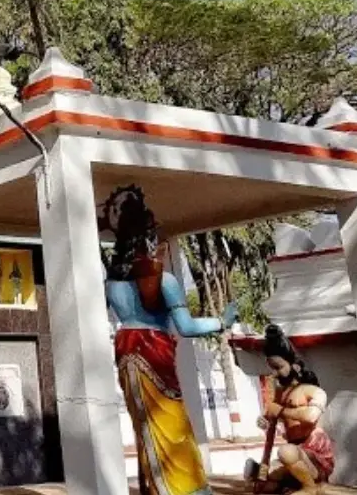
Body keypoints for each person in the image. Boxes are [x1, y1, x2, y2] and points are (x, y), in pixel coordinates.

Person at [102, 185, 237, 495]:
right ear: (148, 236)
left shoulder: (112, 281)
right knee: (173, 428)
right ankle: (184, 490)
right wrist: (222, 321)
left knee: (146, 428)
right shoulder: (165, 280)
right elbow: (186, 327)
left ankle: (155, 487)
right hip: (154, 349)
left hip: (125, 347)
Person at [251, 325, 335, 493]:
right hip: (294, 454)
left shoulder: (313, 390)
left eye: (278, 367)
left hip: (313, 454)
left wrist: (281, 411)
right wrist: (264, 467)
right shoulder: (280, 394)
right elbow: (270, 435)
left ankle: (311, 487)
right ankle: (292, 484)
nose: (274, 374)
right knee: (265, 486)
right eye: (271, 368)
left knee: (286, 452)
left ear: (294, 366)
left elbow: (311, 416)